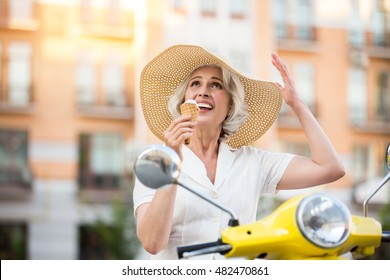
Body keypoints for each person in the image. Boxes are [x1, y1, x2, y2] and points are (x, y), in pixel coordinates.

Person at [133, 45, 345, 259]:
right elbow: (152, 243)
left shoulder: (253, 161)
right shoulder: (154, 163)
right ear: (182, 102)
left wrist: (297, 104)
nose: (203, 91)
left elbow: (330, 168)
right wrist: (172, 162)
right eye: (195, 83)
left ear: (231, 105)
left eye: (216, 85)